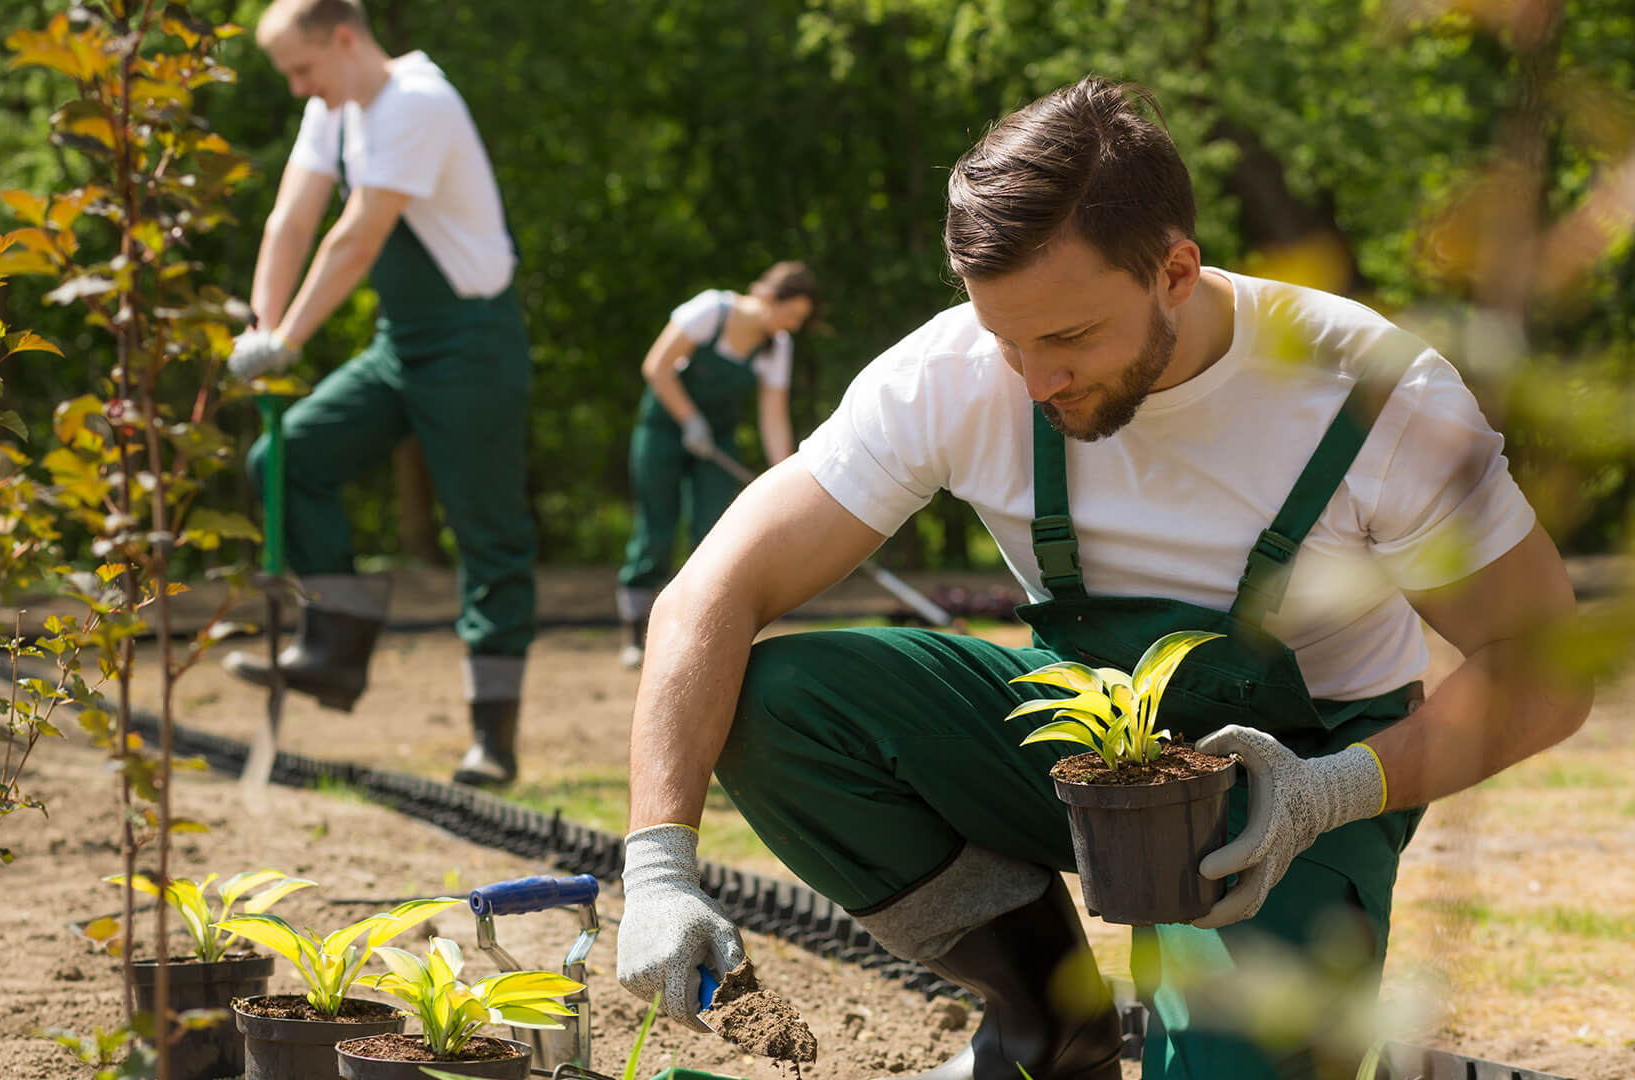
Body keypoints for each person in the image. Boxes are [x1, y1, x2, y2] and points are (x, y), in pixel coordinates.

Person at [613, 78, 1591, 1080]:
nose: (1033, 381)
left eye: (1069, 339)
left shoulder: (1375, 398)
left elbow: (1545, 667)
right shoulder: (956, 374)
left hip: (1305, 777)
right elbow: (711, 589)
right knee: (782, 705)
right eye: (1006, 338)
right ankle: (1049, 1026)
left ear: (1174, 272)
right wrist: (656, 869)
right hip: (1088, 747)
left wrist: (1327, 794)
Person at [222, 0, 537, 787]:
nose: (298, 89)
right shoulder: (337, 110)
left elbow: (356, 237)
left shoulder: (417, 102)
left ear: (343, 37)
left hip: (472, 346)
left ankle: (491, 741)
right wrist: (263, 327)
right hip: (401, 346)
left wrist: (288, 342)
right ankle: (333, 654)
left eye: (302, 69)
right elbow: (290, 222)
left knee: (488, 535)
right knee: (284, 460)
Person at [615, 264, 817, 669]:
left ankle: (692, 635)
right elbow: (656, 366)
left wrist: (785, 475)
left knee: (712, 532)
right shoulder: (710, 311)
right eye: (791, 315)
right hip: (665, 430)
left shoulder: (776, 345)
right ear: (769, 298)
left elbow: (773, 416)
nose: (792, 327)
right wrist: (689, 419)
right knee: (656, 530)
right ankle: (635, 636)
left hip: (717, 443)